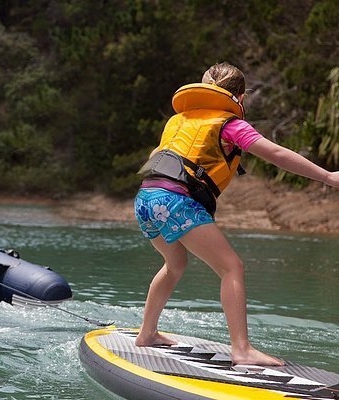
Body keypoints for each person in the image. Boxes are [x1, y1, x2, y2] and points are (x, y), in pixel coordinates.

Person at [134, 62, 339, 366]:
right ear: (240, 98)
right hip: (176, 201)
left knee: (174, 263)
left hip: (145, 199)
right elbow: (278, 155)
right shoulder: (230, 124)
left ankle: (147, 333)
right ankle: (241, 349)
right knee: (232, 268)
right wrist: (328, 177)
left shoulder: (179, 120)